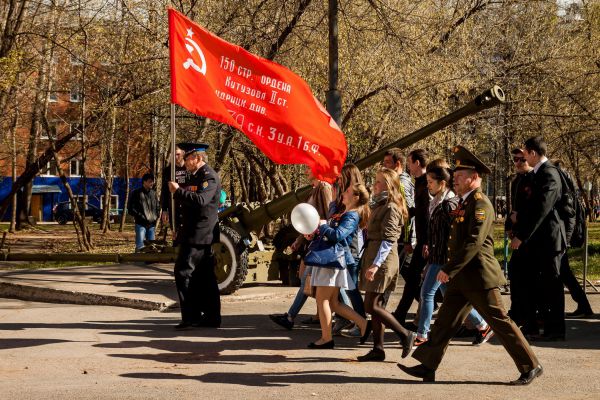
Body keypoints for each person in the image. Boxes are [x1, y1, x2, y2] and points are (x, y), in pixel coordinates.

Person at [399, 145, 542, 385]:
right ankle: (427, 366)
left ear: (473, 178)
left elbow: (473, 243)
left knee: (501, 323)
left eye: (459, 177)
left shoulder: (480, 204)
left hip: (479, 278)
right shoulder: (465, 203)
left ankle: (531, 365)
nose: (454, 180)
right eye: (454, 176)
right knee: (444, 323)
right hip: (462, 278)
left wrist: (447, 268)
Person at [414, 165, 493, 347]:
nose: (428, 186)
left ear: (442, 183)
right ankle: (482, 325)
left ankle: (422, 334)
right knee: (450, 294)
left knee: (426, 294)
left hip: (444, 259)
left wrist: (449, 262)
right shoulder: (438, 202)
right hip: (437, 257)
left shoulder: (450, 204)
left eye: (431, 182)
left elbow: (455, 235)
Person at [357, 168, 416, 362]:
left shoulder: (391, 206)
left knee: (371, 305)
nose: (374, 185)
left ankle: (405, 334)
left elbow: (389, 239)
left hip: (382, 260)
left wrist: (375, 264)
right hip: (374, 256)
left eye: (379, 182)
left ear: (389, 186)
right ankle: (378, 348)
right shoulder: (380, 204)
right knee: (377, 304)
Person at [511, 136, 567, 341]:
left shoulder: (549, 173)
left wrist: (522, 236)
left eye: (524, 154)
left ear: (533, 153)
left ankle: (556, 329)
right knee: (534, 283)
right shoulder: (538, 173)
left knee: (552, 284)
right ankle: (535, 324)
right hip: (538, 240)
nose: (522, 158)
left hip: (549, 240)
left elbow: (541, 208)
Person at [307, 183, 371, 349]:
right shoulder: (345, 212)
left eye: (348, 191)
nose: (344, 193)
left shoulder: (352, 215)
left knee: (322, 301)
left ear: (356, 197)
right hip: (332, 260)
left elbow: (338, 235)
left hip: (332, 261)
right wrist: (318, 230)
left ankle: (326, 339)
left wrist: (323, 225)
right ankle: (363, 324)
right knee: (333, 303)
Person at [269, 168, 332, 330]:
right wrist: (299, 239)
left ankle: (290, 317)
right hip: (312, 242)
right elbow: (309, 221)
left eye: (308, 167)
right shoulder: (313, 190)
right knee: (309, 282)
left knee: (309, 281)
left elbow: (328, 217)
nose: (305, 170)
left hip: (319, 244)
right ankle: (290, 316)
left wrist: (316, 232)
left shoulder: (324, 188)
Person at [168, 142, 222, 330]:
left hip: (200, 234)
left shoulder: (209, 177)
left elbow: (201, 201)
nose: (184, 161)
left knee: (183, 272)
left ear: (198, 158)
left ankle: (190, 316)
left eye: (188, 157)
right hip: (193, 233)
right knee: (204, 276)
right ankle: (211, 317)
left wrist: (178, 191)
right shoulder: (196, 176)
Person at [392, 149, 431, 328]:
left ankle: (476, 321)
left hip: (426, 240)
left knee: (423, 281)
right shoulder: (419, 182)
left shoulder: (427, 183)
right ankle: (401, 315)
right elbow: (418, 211)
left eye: (409, 163)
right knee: (414, 278)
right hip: (422, 238)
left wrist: (425, 241)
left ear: (417, 163)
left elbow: (429, 214)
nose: (408, 166)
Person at [553, 161, 594, 318]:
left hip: (562, 239)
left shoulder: (566, 191)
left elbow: (570, 218)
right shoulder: (569, 188)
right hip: (563, 238)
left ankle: (584, 307)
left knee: (564, 274)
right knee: (565, 274)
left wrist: (566, 240)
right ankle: (584, 306)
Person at [505, 148, 537, 333]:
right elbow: (514, 207)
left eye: (521, 160)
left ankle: (530, 318)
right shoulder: (516, 181)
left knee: (528, 280)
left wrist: (520, 223)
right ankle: (517, 312)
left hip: (529, 236)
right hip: (518, 233)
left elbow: (535, 209)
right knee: (516, 276)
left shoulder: (534, 179)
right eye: (515, 159)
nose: (517, 163)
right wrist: (510, 225)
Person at [381, 149, 415, 310]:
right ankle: (429, 301)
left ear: (398, 164)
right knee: (407, 273)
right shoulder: (394, 181)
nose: (384, 165)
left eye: (388, 162)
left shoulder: (401, 183)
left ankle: (378, 313)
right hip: (399, 237)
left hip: (400, 238)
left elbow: (408, 211)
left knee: (389, 275)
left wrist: (407, 239)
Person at [128, 173, 160, 252]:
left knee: (152, 246)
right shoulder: (136, 193)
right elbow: (130, 208)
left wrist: (157, 216)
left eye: (153, 181)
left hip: (152, 225)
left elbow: (157, 206)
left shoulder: (153, 193)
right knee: (140, 246)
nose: (152, 183)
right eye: (150, 181)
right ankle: (138, 261)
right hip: (140, 224)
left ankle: (149, 262)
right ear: (144, 182)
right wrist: (140, 216)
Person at [160, 145, 187, 237]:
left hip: (187, 204)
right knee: (175, 234)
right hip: (173, 206)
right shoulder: (168, 170)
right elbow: (164, 190)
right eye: (173, 155)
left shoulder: (189, 168)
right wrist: (164, 209)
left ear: (183, 154)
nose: (176, 157)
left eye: (178, 154)